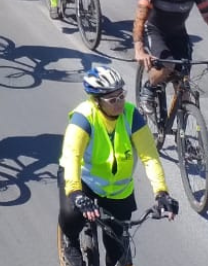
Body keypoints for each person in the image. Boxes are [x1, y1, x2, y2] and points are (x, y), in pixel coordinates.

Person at [57, 67, 177, 266]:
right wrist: (76, 193)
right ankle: (70, 242)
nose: (120, 102)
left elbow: (150, 157)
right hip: (83, 181)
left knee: (116, 249)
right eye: (112, 99)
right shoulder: (83, 118)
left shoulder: (132, 116)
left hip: (118, 191)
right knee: (71, 215)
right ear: (96, 101)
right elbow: (71, 156)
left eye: (122, 95)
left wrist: (162, 193)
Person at [133, 0, 208, 113]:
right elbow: (140, 19)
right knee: (167, 65)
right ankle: (149, 88)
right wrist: (139, 49)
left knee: (184, 82)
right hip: (154, 31)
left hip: (178, 33)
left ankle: (182, 128)